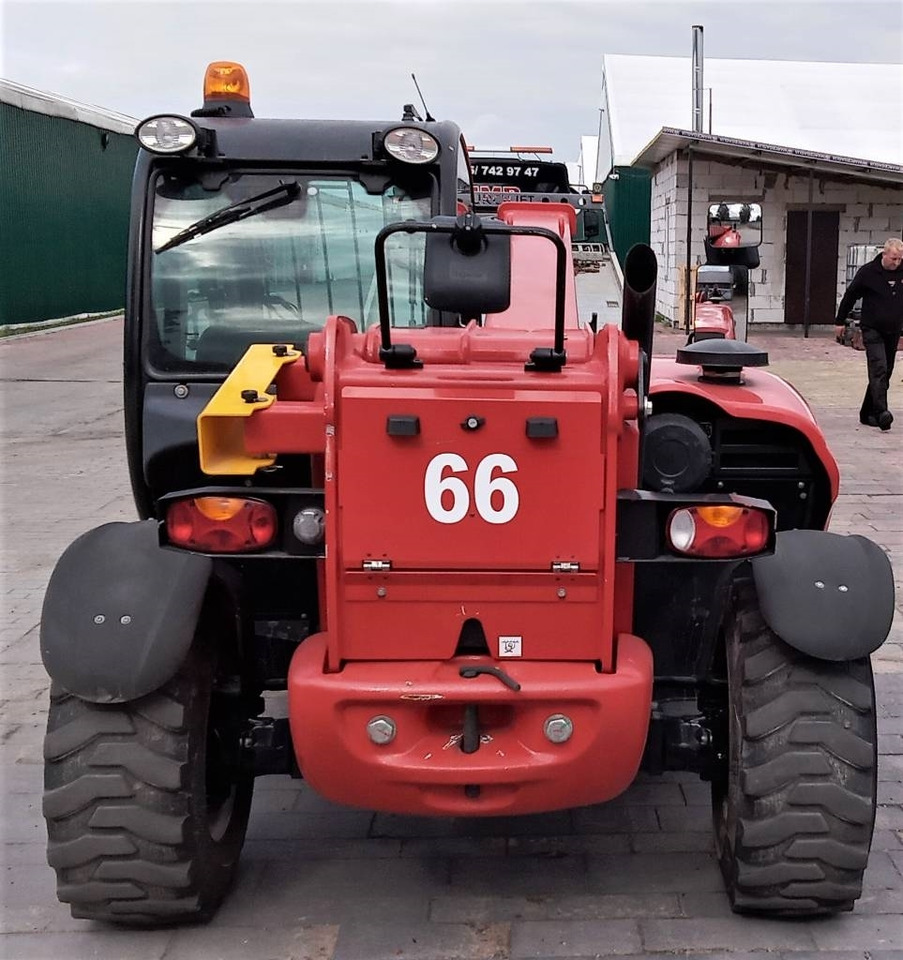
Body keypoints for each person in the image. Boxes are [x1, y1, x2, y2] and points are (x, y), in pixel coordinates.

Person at [835, 237, 903, 430]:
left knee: (884, 372)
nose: (897, 263)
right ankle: (882, 412)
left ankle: (867, 413)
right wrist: (840, 321)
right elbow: (850, 295)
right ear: (884, 255)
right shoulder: (868, 272)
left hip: (893, 329)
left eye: (899, 259)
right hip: (872, 328)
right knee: (879, 368)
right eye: (893, 259)